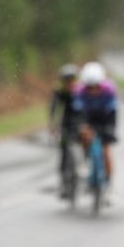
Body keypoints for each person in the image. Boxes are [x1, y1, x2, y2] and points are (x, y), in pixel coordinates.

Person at [74, 62, 117, 186]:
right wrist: (81, 126)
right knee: (85, 136)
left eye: (96, 87)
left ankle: (108, 180)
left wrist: (111, 129)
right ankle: (85, 161)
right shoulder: (80, 91)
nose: (93, 90)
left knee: (106, 151)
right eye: (89, 87)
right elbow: (78, 112)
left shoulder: (109, 90)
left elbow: (113, 112)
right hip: (89, 119)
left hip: (105, 119)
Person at [48, 64, 80, 198]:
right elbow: (54, 109)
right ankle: (64, 182)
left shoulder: (80, 91)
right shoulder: (59, 92)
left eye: (71, 79)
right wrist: (53, 126)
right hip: (66, 126)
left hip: (80, 125)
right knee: (64, 152)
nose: (69, 83)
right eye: (66, 80)